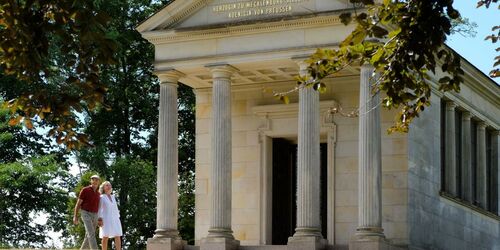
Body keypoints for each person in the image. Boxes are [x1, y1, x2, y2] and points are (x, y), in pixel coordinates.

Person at [73, 175, 102, 250]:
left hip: (95, 214)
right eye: (93, 180)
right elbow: (78, 204)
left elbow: (98, 207)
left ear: (99, 182)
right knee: (91, 234)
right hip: (85, 213)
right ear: (91, 181)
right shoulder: (85, 190)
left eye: (97, 180)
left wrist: (99, 218)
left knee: (88, 235)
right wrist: (75, 216)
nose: (95, 181)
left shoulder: (98, 194)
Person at [98, 181, 123, 250]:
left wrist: (118, 218)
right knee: (105, 236)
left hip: (115, 218)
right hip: (105, 218)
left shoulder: (113, 197)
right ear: (103, 188)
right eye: (107, 185)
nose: (109, 186)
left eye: (109, 185)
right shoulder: (102, 197)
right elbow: (99, 209)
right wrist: (99, 219)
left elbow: (115, 208)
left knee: (117, 235)